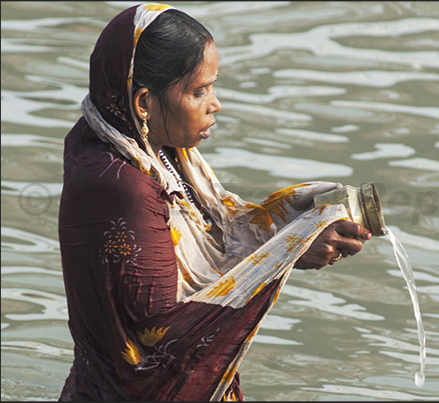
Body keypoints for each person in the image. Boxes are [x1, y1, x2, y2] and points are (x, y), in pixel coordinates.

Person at [58, 3, 371, 401]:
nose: (215, 104)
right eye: (198, 91)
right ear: (143, 103)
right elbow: (161, 338)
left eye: (213, 86)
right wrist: (285, 253)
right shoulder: (124, 185)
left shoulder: (148, 149)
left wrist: (298, 227)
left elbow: (217, 238)